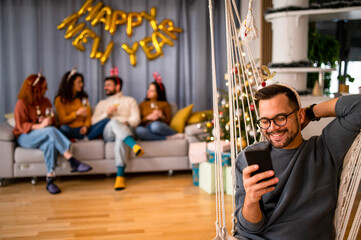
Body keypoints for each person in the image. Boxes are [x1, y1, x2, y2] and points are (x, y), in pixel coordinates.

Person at [235, 83, 361, 240]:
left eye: (280, 118)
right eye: (265, 121)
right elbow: (249, 227)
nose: (273, 128)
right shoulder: (248, 157)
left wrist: (310, 113)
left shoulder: (325, 149)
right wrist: (251, 200)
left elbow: (358, 107)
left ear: (300, 116)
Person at [13, 73, 92, 194]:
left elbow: (54, 121)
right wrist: (40, 125)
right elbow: (21, 126)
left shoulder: (45, 101)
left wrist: (49, 121)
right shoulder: (22, 103)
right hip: (26, 137)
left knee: (50, 142)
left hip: (44, 135)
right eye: (44, 87)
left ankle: (50, 179)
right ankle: (71, 160)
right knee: (49, 131)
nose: (47, 89)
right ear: (36, 88)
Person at [91, 75, 144, 191]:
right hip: (108, 132)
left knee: (120, 137)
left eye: (108, 85)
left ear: (118, 86)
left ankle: (120, 176)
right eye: (105, 85)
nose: (105, 88)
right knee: (114, 122)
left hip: (126, 129)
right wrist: (107, 114)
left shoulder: (130, 101)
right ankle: (133, 145)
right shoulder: (102, 103)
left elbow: (136, 119)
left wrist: (126, 122)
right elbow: (93, 122)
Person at [55, 69, 109, 141]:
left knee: (107, 120)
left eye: (82, 82)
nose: (82, 84)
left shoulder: (83, 99)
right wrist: (76, 114)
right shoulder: (60, 100)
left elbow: (88, 117)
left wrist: (86, 127)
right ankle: (85, 138)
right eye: (79, 82)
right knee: (63, 128)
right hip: (71, 129)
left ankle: (85, 138)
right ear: (70, 83)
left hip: (84, 130)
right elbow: (62, 121)